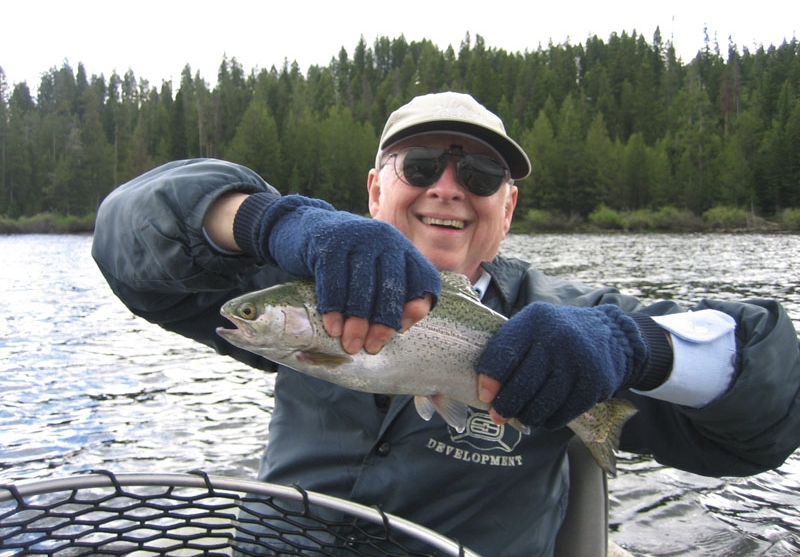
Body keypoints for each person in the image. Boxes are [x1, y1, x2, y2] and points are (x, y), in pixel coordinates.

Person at [92, 91, 800, 557]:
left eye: (482, 177)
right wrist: (263, 219)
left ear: (508, 208)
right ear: (377, 190)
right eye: (422, 164)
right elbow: (126, 241)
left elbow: (769, 407)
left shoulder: (569, 323)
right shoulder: (301, 286)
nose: (448, 188)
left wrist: (638, 347)